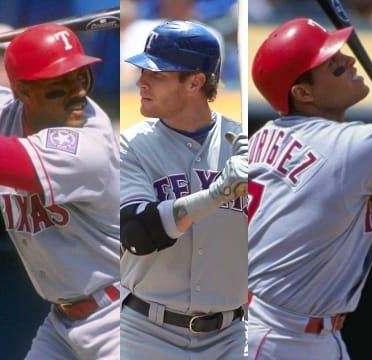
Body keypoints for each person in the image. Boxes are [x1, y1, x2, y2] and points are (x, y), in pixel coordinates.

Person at [119, 20, 248, 359]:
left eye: (157, 75)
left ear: (195, 82)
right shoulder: (132, 146)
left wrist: (267, 176)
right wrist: (218, 192)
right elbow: (137, 233)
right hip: (147, 333)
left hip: (231, 337)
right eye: (143, 72)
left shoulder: (245, 145)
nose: (141, 82)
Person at [247, 18, 372, 359]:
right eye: (333, 65)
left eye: (343, 55)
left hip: (285, 327)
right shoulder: (350, 148)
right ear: (303, 93)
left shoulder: (264, 135)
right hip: (278, 336)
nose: (349, 61)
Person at [0, 24, 120, 359]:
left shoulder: (86, 141)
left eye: (81, 78)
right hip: (61, 322)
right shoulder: (5, 112)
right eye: (58, 86)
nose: (77, 93)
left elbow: (4, 161)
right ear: (22, 92)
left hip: (122, 315)